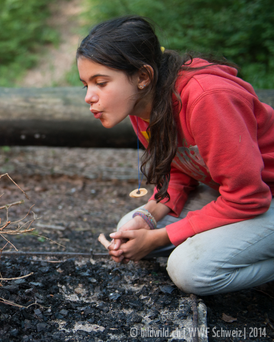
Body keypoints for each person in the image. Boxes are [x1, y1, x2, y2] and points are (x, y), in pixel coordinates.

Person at [76, 15, 274, 296]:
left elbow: (248, 197)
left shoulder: (209, 99)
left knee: (190, 271)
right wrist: (148, 216)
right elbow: (181, 168)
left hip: (258, 196)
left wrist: (159, 237)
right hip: (244, 196)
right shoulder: (144, 104)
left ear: (143, 76)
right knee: (129, 229)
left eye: (101, 82)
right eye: (86, 85)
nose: (89, 97)